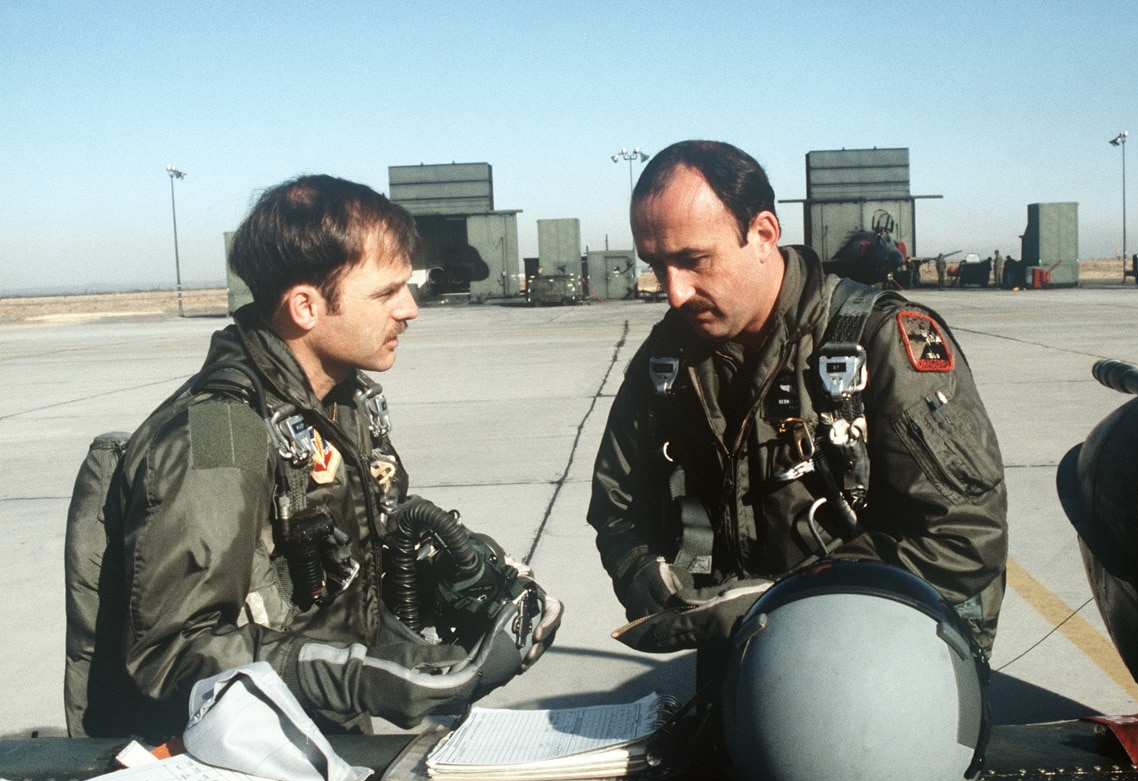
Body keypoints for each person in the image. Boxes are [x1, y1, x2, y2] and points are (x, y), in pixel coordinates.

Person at [74, 175, 558, 739]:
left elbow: (359, 558)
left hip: (323, 735)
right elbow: (174, 649)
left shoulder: (341, 403)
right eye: (385, 293)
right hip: (244, 764)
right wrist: (357, 681)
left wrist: (475, 582)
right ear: (305, 305)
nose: (410, 309)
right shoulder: (221, 430)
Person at [588, 141, 1008, 684]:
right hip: (742, 662)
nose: (674, 293)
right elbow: (616, 501)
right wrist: (642, 570)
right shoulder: (669, 356)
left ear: (763, 235)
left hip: (879, 663)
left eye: (693, 261)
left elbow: (965, 535)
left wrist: (784, 601)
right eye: (657, 266)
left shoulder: (881, 342)